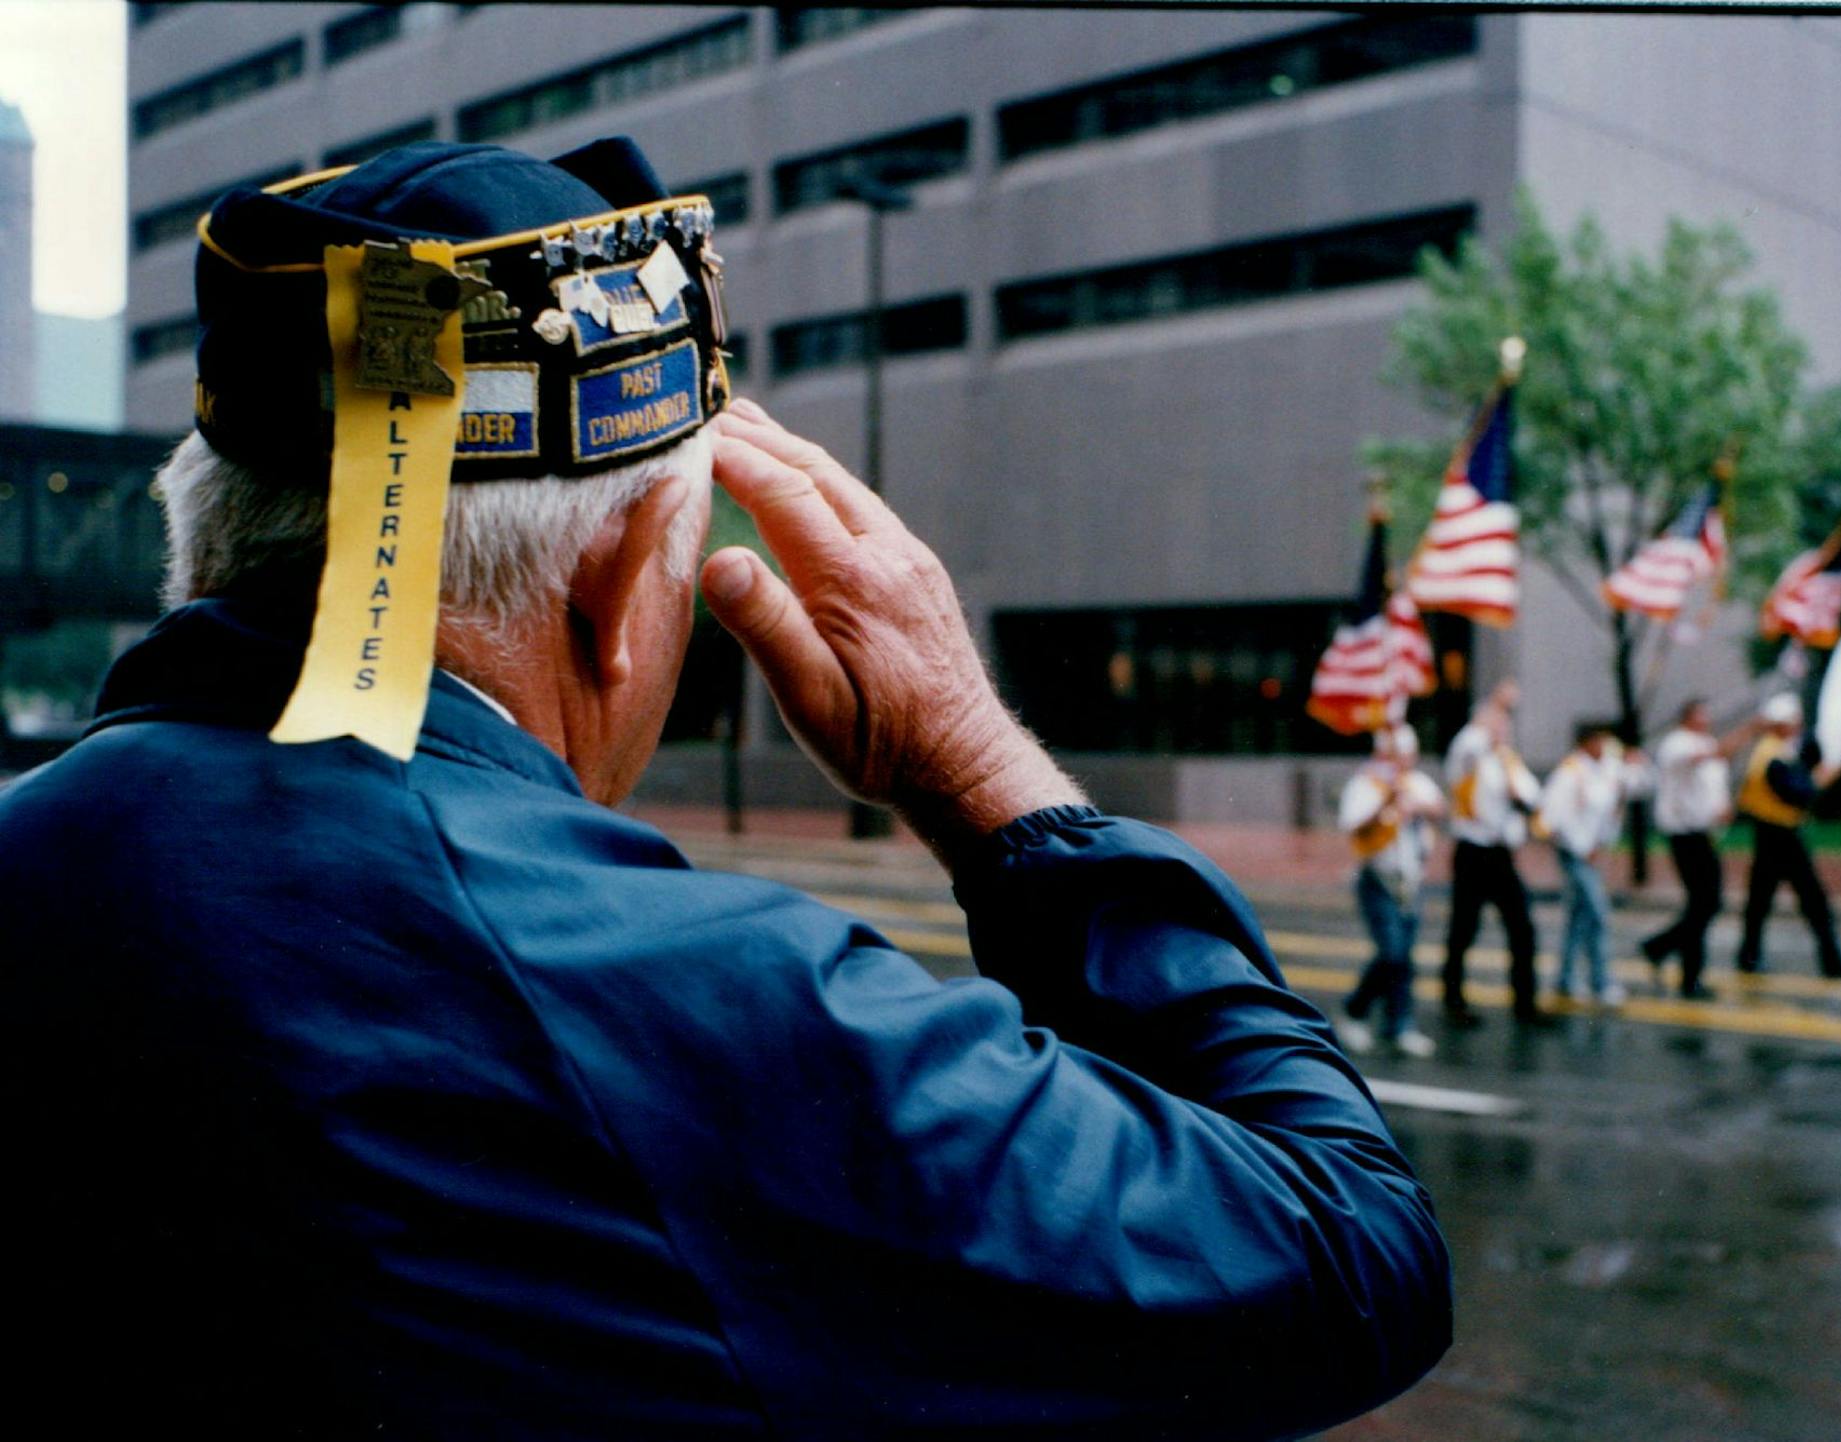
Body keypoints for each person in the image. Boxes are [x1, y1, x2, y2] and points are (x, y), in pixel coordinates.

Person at [0, 140, 1451, 1437]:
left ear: (208, 526)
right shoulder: (679, 997)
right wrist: (986, 773)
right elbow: (1351, 1255)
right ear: (629, 588)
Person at [1439, 679, 1546, 1027]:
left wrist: (1521, 796)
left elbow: (1533, 796)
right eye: (1495, 722)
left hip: (1500, 855)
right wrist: (1494, 709)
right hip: (1472, 851)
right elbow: (1468, 748)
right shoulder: (1469, 754)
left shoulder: (1506, 760)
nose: (1502, 728)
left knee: (1522, 928)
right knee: (1463, 929)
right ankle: (1453, 999)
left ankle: (1525, 1002)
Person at [1732, 692, 1841, 978]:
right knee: (1812, 899)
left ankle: (1748, 956)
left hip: (1771, 834)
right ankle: (1833, 962)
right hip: (1780, 835)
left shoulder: (1773, 749)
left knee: (1761, 900)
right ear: (1781, 725)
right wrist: (1820, 780)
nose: (1798, 726)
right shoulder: (1773, 756)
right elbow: (1797, 794)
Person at [1338, 723, 1445, 1057]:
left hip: (1411, 878)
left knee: (1404, 959)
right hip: (1378, 879)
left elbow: (1440, 808)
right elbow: (1353, 824)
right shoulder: (1365, 784)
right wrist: (1386, 800)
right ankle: (1354, 1011)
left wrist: (1414, 804)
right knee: (1392, 953)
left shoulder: (1414, 783)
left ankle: (1399, 1024)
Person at [1640, 698, 1754, 999]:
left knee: (1703, 904)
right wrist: (1751, 729)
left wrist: (1722, 809)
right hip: (1684, 834)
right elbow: (1711, 756)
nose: (1708, 719)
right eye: (1702, 714)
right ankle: (1674, 961)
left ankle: (1670, 957)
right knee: (1706, 904)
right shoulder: (1677, 744)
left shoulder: (1703, 743)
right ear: (1687, 717)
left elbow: (1711, 783)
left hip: (1703, 833)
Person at [1537, 720, 1649, 1006]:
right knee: (1597, 914)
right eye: (1600, 741)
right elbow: (1550, 819)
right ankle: (1601, 981)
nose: (1605, 747)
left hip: (1597, 853)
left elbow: (1639, 784)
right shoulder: (1570, 773)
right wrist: (1580, 847)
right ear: (1586, 742)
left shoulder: (1607, 767)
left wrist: (1636, 763)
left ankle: (1565, 978)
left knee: (1579, 916)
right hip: (1577, 855)